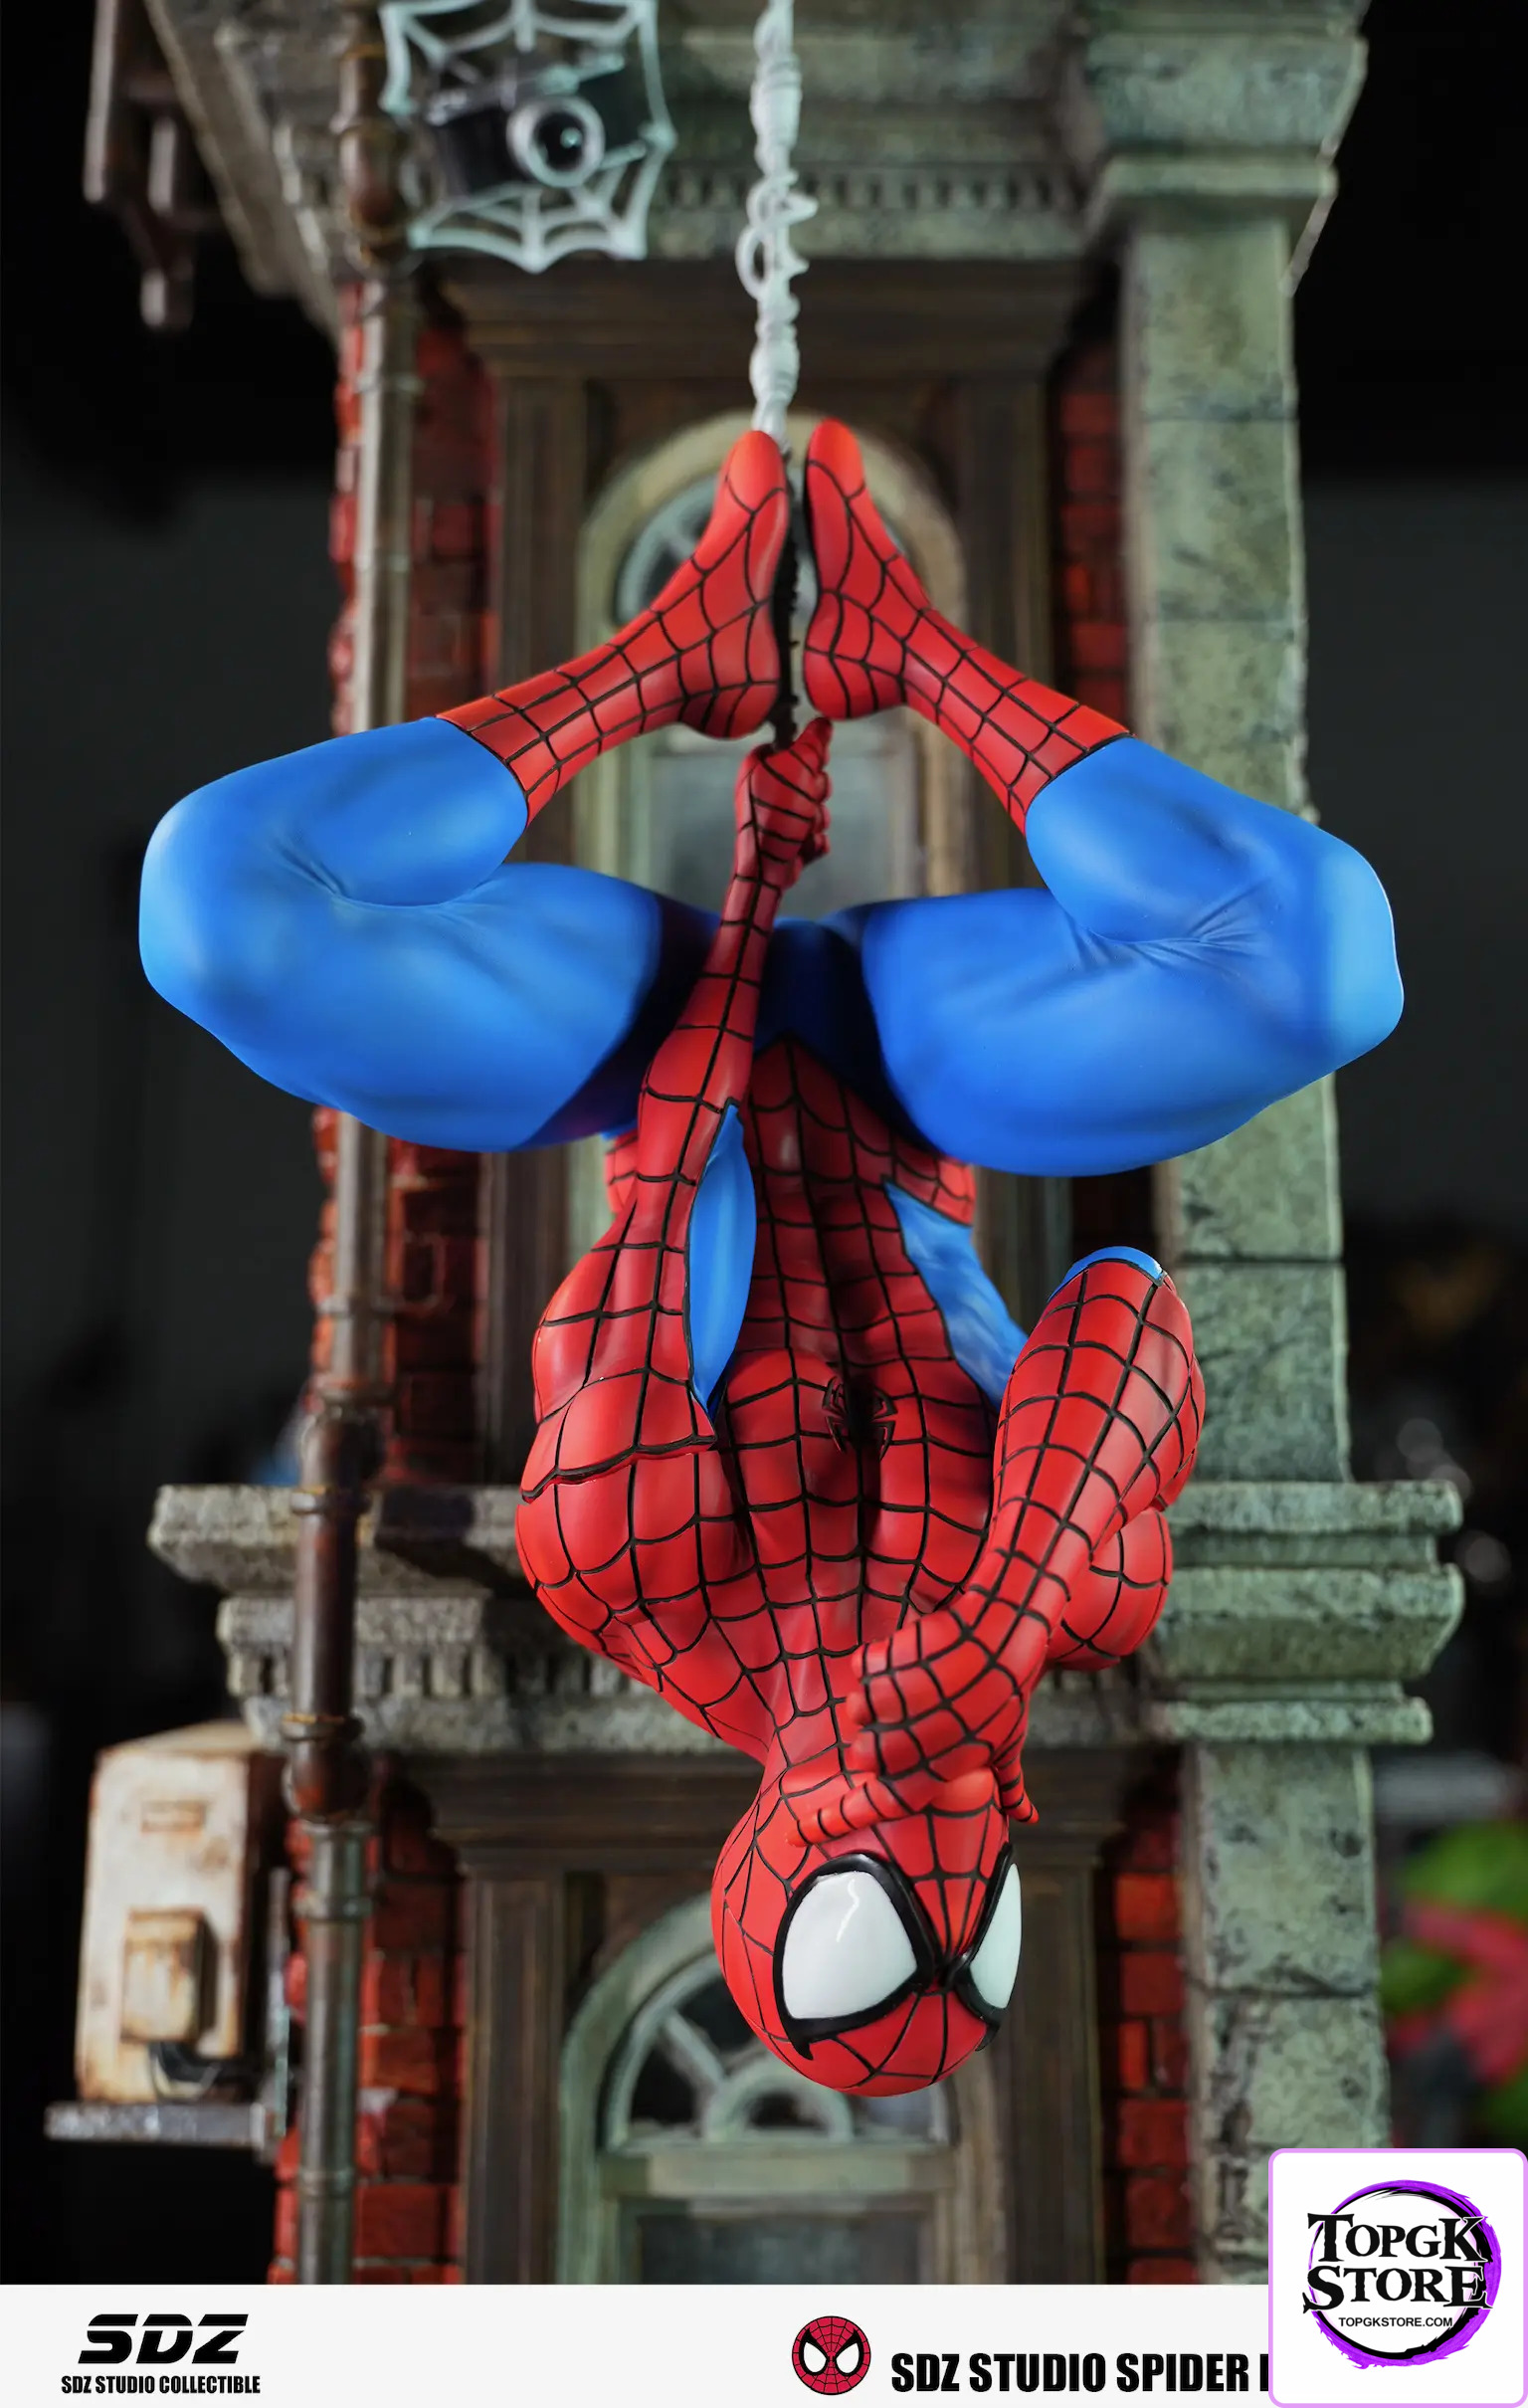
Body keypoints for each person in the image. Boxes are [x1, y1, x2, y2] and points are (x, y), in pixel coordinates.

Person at [140, 422, 1402, 2092]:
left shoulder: (628, 1568)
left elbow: (671, 1179)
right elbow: (1127, 1312)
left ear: (769, 1883)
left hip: (658, 1029)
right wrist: (1000, 1620)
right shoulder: (1087, 1593)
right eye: (972, 1927)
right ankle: (910, 644)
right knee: (1325, 967)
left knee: (219, 913)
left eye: (867, 1926)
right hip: (910, 1068)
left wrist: (750, 877)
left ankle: (667, 653)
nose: (922, 1868)